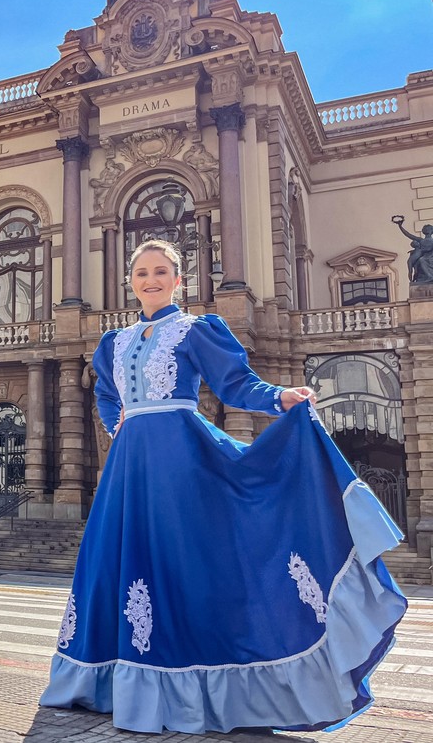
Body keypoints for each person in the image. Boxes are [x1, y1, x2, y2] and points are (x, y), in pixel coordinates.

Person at [40, 240, 407, 734]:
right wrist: (117, 424)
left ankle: (186, 680)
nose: (151, 280)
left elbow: (235, 383)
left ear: (178, 279)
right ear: (131, 280)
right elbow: (105, 390)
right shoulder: (114, 342)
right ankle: (105, 681)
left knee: (183, 562)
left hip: (180, 462)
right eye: (142, 272)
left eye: (161, 272)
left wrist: (279, 396)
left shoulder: (194, 330)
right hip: (128, 466)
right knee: (112, 561)